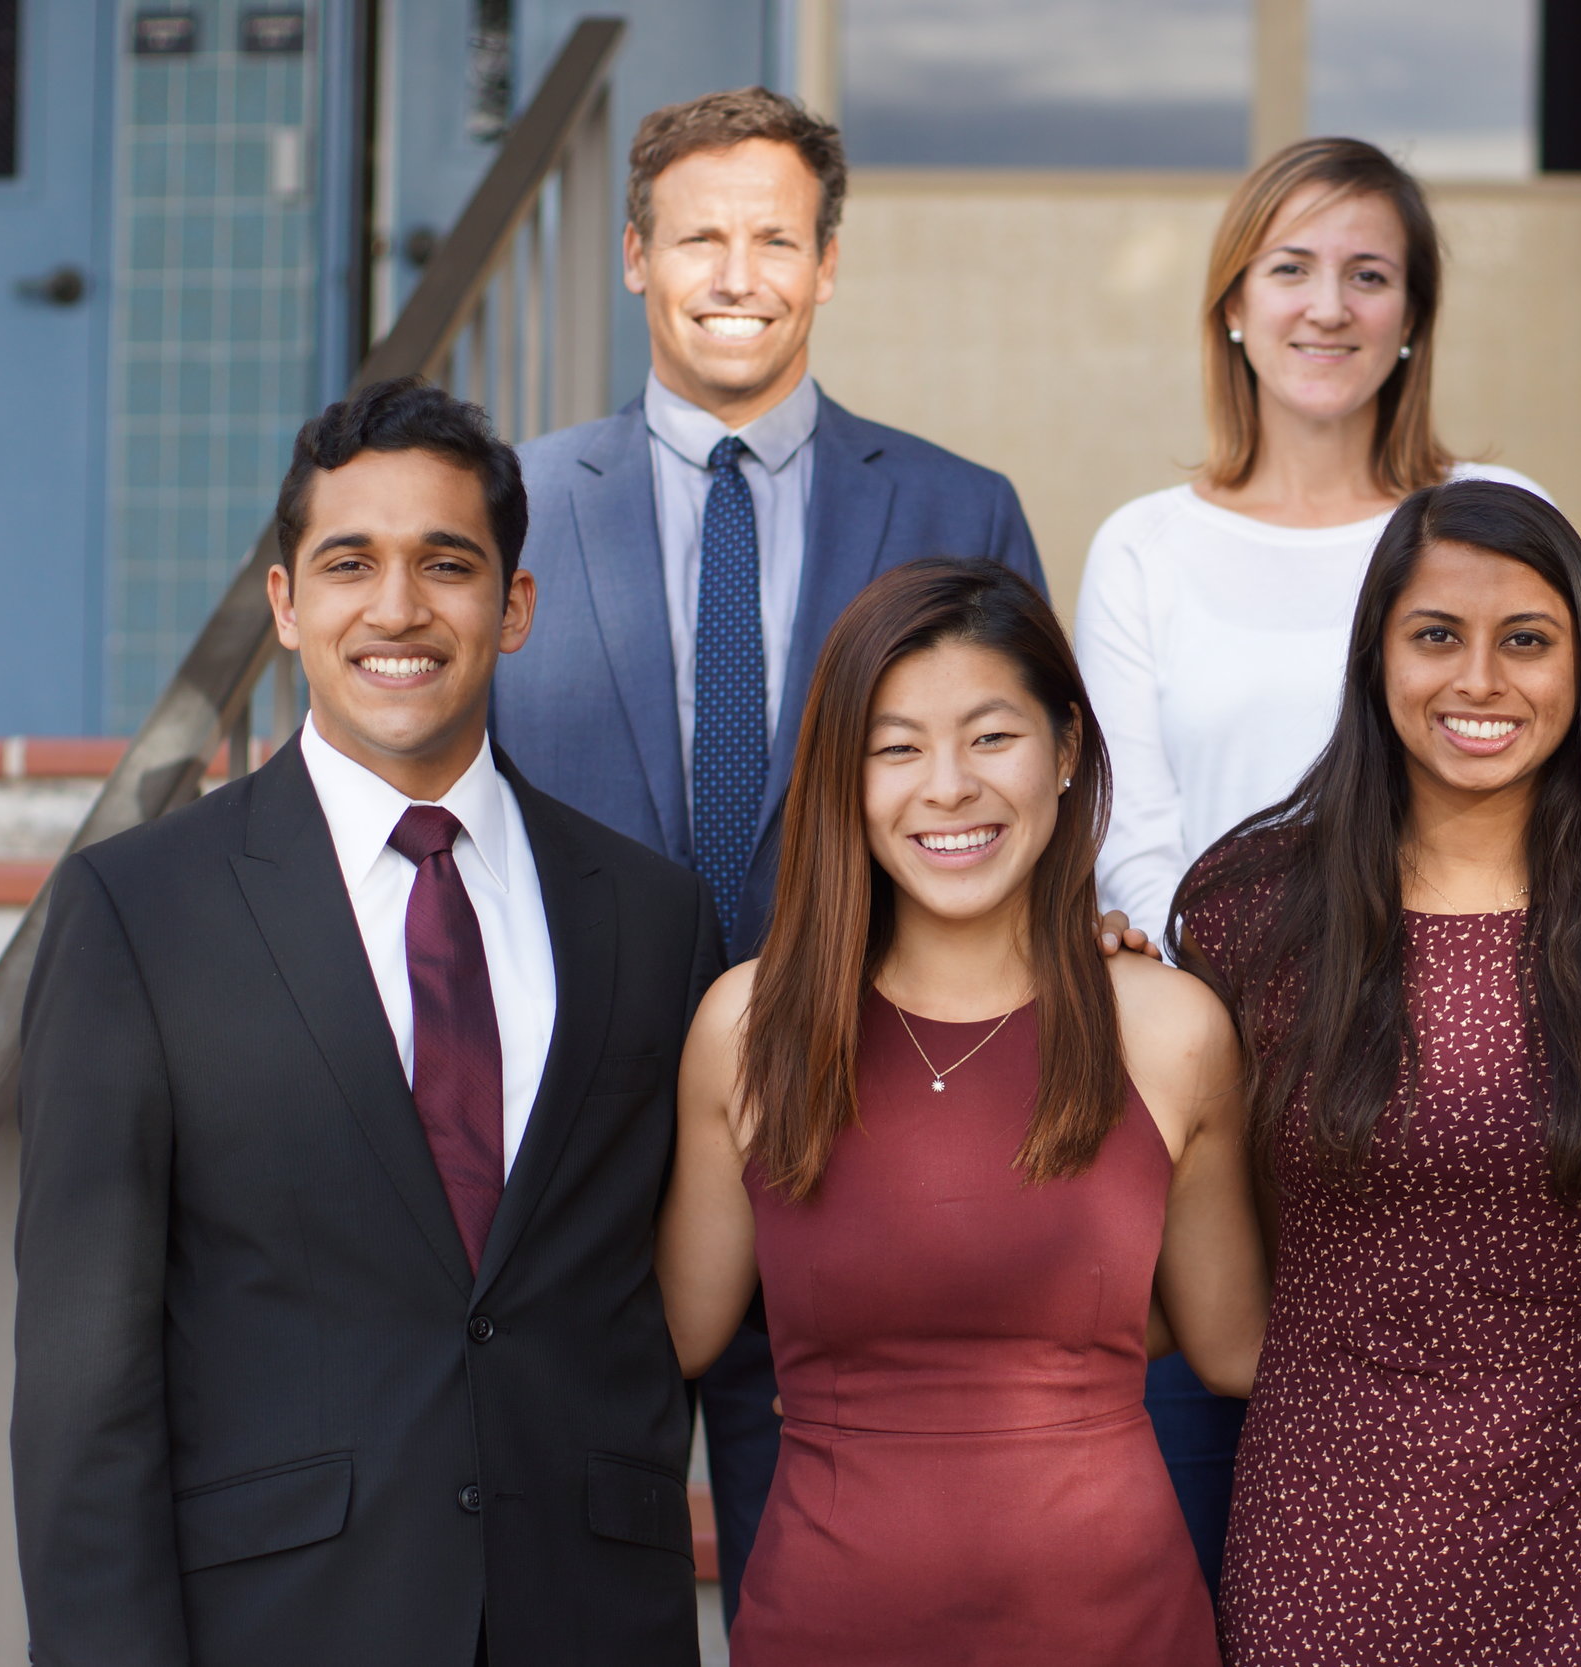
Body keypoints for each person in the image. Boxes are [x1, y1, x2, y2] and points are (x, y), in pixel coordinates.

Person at [13, 380, 716, 1666]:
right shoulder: (141, 910)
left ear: (514, 609)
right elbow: (82, 1386)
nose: (397, 608)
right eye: (350, 563)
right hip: (282, 1624)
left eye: (446, 564)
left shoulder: (654, 916)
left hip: (593, 1619)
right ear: (286, 605)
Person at [492, 87, 1045, 1604]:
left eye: (775, 239)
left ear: (828, 262)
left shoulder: (953, 508)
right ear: (632, 255)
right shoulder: (516, 509)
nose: (738, 274)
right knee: (562, 1600)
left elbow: (1030, 789)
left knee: (841, 1593)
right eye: (700, 239)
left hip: (860, 1126)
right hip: (574, 1141)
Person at [1071, 135, 1545, 1574]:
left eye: (1368, 274)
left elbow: (1549, 779)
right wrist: (1279, 1014)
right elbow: (1130, 854)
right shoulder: (1144, 548)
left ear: (1412, 319)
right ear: (1231, 303)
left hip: (1457, 1114)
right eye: (1291, 269)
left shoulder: (1485, 512)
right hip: (1219, 1108)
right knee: (1207, 1538)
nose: (1327, 306)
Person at [1171, 479, 1581, 1664]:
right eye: (1436, 634)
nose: (1478, 679)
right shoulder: (1251, 910)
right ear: (1375, 653)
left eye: (1525, 640)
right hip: (1331, 1542)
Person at [656, 559, 1266, 1665]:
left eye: (992, 737)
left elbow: (1227, 1338)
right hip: (826, 1621)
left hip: (1115, 1626)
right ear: (843, 776)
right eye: (895, 748)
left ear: (1068, 748)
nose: (947, 786)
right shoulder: (746, 1029)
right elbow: (681, 1329)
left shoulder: (1169, 1028)